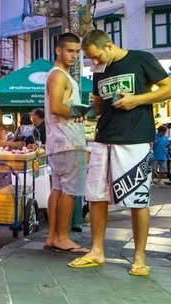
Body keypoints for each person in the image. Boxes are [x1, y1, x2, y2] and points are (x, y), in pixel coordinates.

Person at [68, 29, 171, 276]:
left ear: (109, 46)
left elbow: (168, 88)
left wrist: (137, 100)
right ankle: (96, 251)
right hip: (103, 138)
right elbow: (101, 105)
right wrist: (89, 110)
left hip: (135, 139)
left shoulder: (141, 59)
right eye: (90, 59)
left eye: (97, 57)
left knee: (138, 199)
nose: (94, 63)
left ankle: (139, 256)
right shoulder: (99, 70)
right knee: (96, 196)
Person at [42, 32, 88, 255]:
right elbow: (57, 107)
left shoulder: (57, 75)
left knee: (58, 189)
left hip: (59, 141)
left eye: (77, 52)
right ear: (58, 50)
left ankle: (53, 237)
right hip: (68, 141)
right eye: (70, 51)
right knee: (69, 190)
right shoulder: (59, 76)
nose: (74, 56)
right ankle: (61, 237)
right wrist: (80, 111)